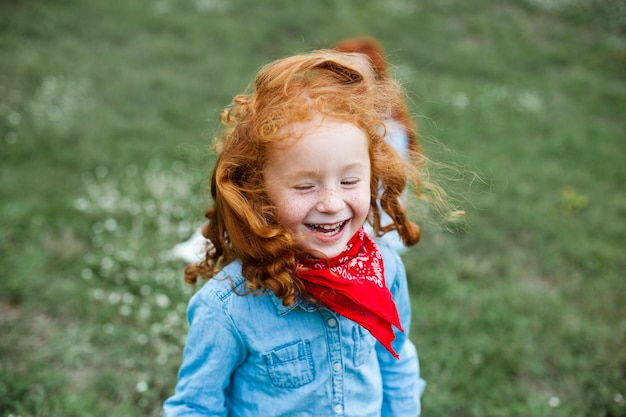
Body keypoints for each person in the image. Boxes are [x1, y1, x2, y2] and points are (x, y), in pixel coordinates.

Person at [163, 50, 445, 416]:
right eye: (305, 186)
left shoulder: (383, 268)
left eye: (349, 180)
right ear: (258, 193)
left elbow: (395, 359)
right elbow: (194, 406)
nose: (331, 203)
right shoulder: (229, 307)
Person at [170, 36, 416, 263]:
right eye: (344, 80)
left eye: (350, 180)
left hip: (375, 227)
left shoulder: (386, 132)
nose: (331, 203)